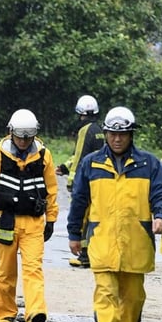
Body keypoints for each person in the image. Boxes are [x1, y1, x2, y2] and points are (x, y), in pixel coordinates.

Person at [67, 106, 162, 322]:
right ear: (106, 134)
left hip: (137, 242)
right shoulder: (91, 163)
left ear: (131, 134)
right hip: (103, 240)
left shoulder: (149, 164)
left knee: (133, 297)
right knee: (105, 293)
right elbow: (79, 201)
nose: (117, 139)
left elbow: (160, 194)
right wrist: (74, 234)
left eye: (123, 134)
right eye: (113, 134)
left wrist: (160, 216)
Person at [0, 109, 58, 322]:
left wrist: (51, 219)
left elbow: (51, 189)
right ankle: (5, 313)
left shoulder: (43, 155)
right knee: (6, 270)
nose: (23, 141)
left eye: (28, 137)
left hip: (33, 222)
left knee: (33, 268)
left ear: (34, 134)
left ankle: (35, 312)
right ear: (11, 132)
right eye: (20, 136)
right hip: (6, 220)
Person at [62, 94, 103, 268]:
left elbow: (80, 157)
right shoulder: (100, 130)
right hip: (100, 179)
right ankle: (91, 253)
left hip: (86, 181)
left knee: (83, 217)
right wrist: (64, 166)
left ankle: (84, 256)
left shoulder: (84, 130)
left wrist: (72, 182)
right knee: (93, 215)